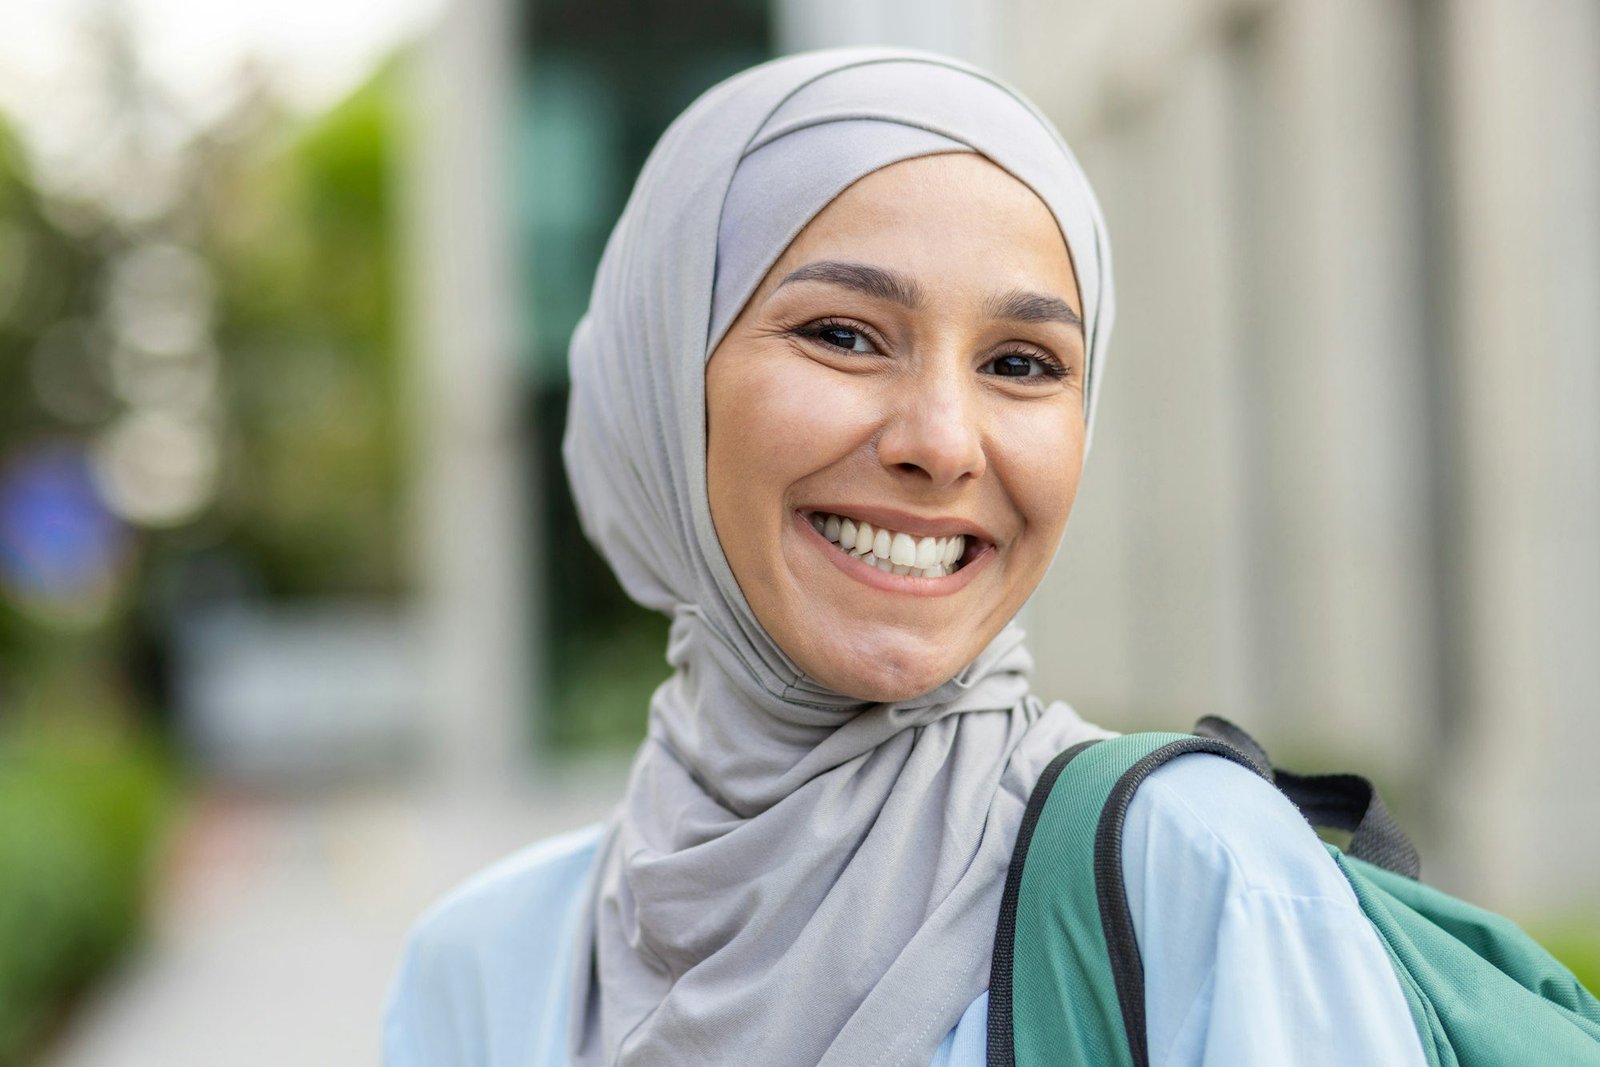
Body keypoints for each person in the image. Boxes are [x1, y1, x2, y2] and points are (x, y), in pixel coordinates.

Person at [383, 48, 1427, 1067]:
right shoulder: (485, 966)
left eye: (1020, 363)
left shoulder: (1203, 883)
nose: (940, 441)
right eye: (843, 334)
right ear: (662, 382)